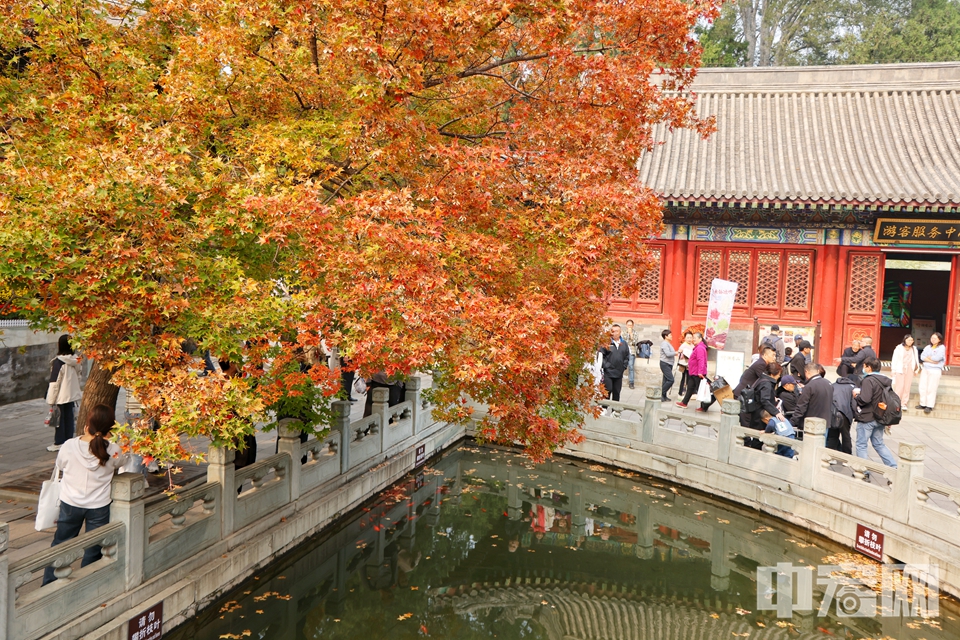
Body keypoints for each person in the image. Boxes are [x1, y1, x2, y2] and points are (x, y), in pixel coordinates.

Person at [42, 404, 128, 585]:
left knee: (61, 543)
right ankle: (88, 583)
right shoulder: (113, 450)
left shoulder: (69, 445)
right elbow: (122, 461)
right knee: (94, 547)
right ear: (110, 430)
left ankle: (49, 582)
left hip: (70, 503)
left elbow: (61, 464)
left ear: (87, 425)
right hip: (98, 506)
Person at [853, 358, 898, 469]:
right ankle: (893, 467)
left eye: (864, 366)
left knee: (861, 445)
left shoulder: (868, 380)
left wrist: (856, 396)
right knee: (879, 444)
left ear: (869, 367)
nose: (863, 369)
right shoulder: (887, 380)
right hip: (881, 416)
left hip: (868, 416)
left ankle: (862, 471)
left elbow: (865, 399)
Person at [48, 335, 83, 452]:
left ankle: (59, 442)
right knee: (69, 417)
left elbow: (54, 382)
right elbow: (79, 375)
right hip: (72, 393)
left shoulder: (58, 362)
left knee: (59, 420)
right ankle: (68, 440)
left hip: (60, 395)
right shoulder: (76, 360)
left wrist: (51, 400)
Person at [791, 362, 833, 439]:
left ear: (806, 372)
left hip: (812, 425)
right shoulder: (829, 383)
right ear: (817, 371)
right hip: (825, 421)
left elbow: (801, 407)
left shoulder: (809, 386)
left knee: (811, 448)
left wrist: (792, 422)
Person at [599, 325, 630, 402]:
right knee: (607, 391)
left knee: (616, 392)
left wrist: (624, 366)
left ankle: (615, 412)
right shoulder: (607, 343)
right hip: (608, 372)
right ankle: (604, 410)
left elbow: (627, 356)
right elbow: (601, 356)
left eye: (616, 331)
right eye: (613, 331)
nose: (614, 333)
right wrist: (606, 365)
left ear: (620, 332)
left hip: (619, 372)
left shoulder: (624, 344)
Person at [676, 332, 707, 409]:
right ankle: (684, 403)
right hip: (693, 372)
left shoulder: (700, 348)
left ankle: (704, 406)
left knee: (701, 390)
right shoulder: (697, 347)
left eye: (694, 338)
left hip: (698, 373)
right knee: (690, 388)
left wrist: (700, 372)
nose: (693, 340)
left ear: (700, 339)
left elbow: (701, 360)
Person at [917, 332, 946, 414]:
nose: (933, 340)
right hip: (925, 368)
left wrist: (929, 359)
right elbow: (922, 356)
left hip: (935, 370)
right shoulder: (927, 347)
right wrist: (931, 360)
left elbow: (938, 358)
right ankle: (923, 403)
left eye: (935, 338)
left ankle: (929, 405)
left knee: (931, 387)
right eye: (932, 338)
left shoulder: (941, 348)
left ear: (939, 339)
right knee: (922, 386)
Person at [891, 335, 921, 411]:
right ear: (904, 340)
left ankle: (904, 403)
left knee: (907, 387)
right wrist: (893, 369)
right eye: (908, 340)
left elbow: (916, 359)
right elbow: (895, 359)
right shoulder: (899, 348)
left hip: (910, 369)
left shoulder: (914, 349)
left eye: (911, 340)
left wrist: (916, 370)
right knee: (899, 387)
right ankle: (896, 403)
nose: (910, 342)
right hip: (900, 369)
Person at [829, 375, 857, 454]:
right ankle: (847, 456)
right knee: (846, 435)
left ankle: (830, 456)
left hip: (833, 412)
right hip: (845, 413)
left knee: (832, 436)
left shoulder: (833, 385)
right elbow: (854, 404)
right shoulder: (852, 387)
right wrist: (855, 415)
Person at [659, 329, 676, 402]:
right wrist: (676, 352)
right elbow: (668, 354)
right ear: (666, 336)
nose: (671, 336)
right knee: (670, 379)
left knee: (665, 380)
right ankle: (661, 393)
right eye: (670, 335)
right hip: (665, 363)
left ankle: (664, 396)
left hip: (669, 363)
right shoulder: (664, 344)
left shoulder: (668, 343)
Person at [676, 331, 694, 396]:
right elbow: (679, 355)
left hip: (691, 365)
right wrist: (681, 353)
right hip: (684, 364)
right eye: (688, 338)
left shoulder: (693, 345)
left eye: (690, 337)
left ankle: (688, 392)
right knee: (684, 378)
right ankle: (681, 392)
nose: (689, 339)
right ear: (685, 338)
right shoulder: (683, 345)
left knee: (690, 378)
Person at [624, 319, 639, 390]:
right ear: (626, 326)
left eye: (631, 325)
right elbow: (624, 342)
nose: (629, 326)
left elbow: (634, 342)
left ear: (633, 326)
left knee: (631, 366)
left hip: (632, 351)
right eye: (628, 325)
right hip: (624, 350)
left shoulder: (635, 333)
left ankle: (631, 382)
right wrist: (628, 336)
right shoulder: (623, 333)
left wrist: (631, 335)